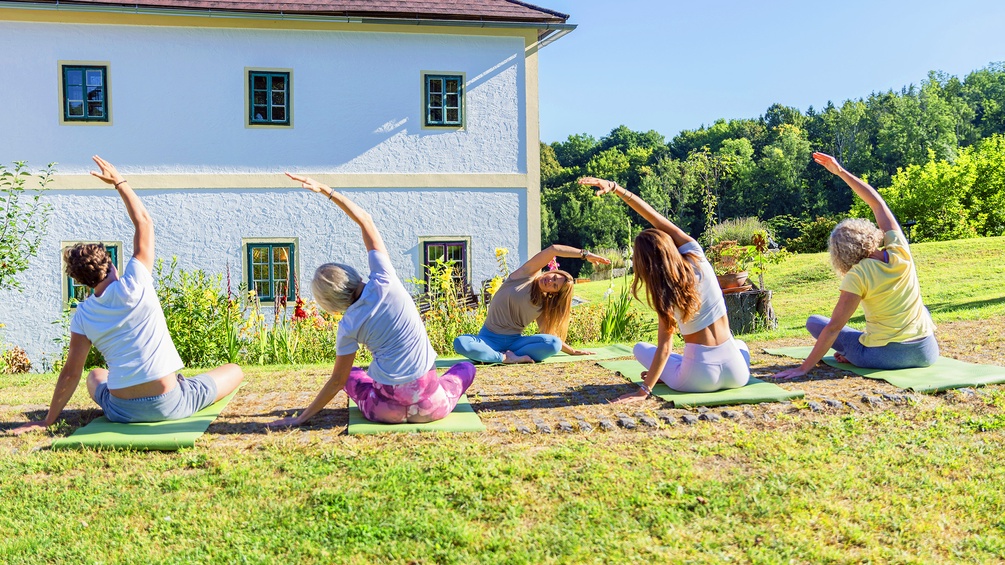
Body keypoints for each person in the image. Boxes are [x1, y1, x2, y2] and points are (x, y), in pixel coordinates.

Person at [10, 156, 243, 434]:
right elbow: (144, 222)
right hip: (169, 403)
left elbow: (72, 372)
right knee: (234, 370)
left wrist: (48, 420)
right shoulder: (136, 281)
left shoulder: (83, 315)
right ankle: (182, 385)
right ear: (111, 264)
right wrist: (119, 182)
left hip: (121, 411)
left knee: (95, 376)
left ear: (81, 282)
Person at [268, 174, 475, 426]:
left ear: (330, 303)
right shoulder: (384, 279)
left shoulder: (348, 325)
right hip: (430, 406)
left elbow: (336, 381)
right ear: (351, 274)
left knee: (352, 375)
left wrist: (301, 419)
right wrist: (326, 190)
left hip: (385, 411)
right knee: (465, 368)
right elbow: (364, 219)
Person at [577, 176, 751, 401]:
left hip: (697, 380)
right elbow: (655, 218)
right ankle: (677, 369)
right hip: (738, 373)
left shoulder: (665, 294)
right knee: (739, 343)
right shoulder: (697, 256)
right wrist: (617, 189)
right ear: (670, 245)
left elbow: (665, 349)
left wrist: (644, 390)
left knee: (641, 348)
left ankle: (667, 374)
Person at [773, 153, 938, 379]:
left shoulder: (858, 275)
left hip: (884, 357)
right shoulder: (900, 251)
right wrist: (840, 171)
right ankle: (863, 345)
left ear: (841, 254)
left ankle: (857, 352)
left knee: (815, 322)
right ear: (869, 233)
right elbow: (876, 203)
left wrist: (803, 369)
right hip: (926, 352)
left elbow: (833, 328)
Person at [452, 245, 610, 364]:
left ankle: (501, 356)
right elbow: (553, 249)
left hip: (515, 343)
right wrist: (585, 254)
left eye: (554, 285)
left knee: (553, 344)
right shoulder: (524, 275)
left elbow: (548, 335)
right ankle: (504, 358)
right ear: (552, 272)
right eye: (554, 277)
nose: (550, 281)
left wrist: (572, 351)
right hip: (488, 339)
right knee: (461, 343)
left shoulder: (543, 305)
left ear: (554, 293)